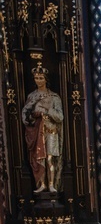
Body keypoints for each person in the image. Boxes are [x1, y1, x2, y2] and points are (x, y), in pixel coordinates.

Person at [22, 64, 64, 193]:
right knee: (40, 158)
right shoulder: (32, 97)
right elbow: (25, 115)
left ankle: (52, 184)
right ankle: (42, 184)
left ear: (46, 79)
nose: (38, 81)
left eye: (41, 78)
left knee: (50, 159)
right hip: (37, 132)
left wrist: (47, 110)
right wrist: (33, 116)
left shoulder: (54, 97)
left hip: (50, 131)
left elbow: (60, 116)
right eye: (37, 78)